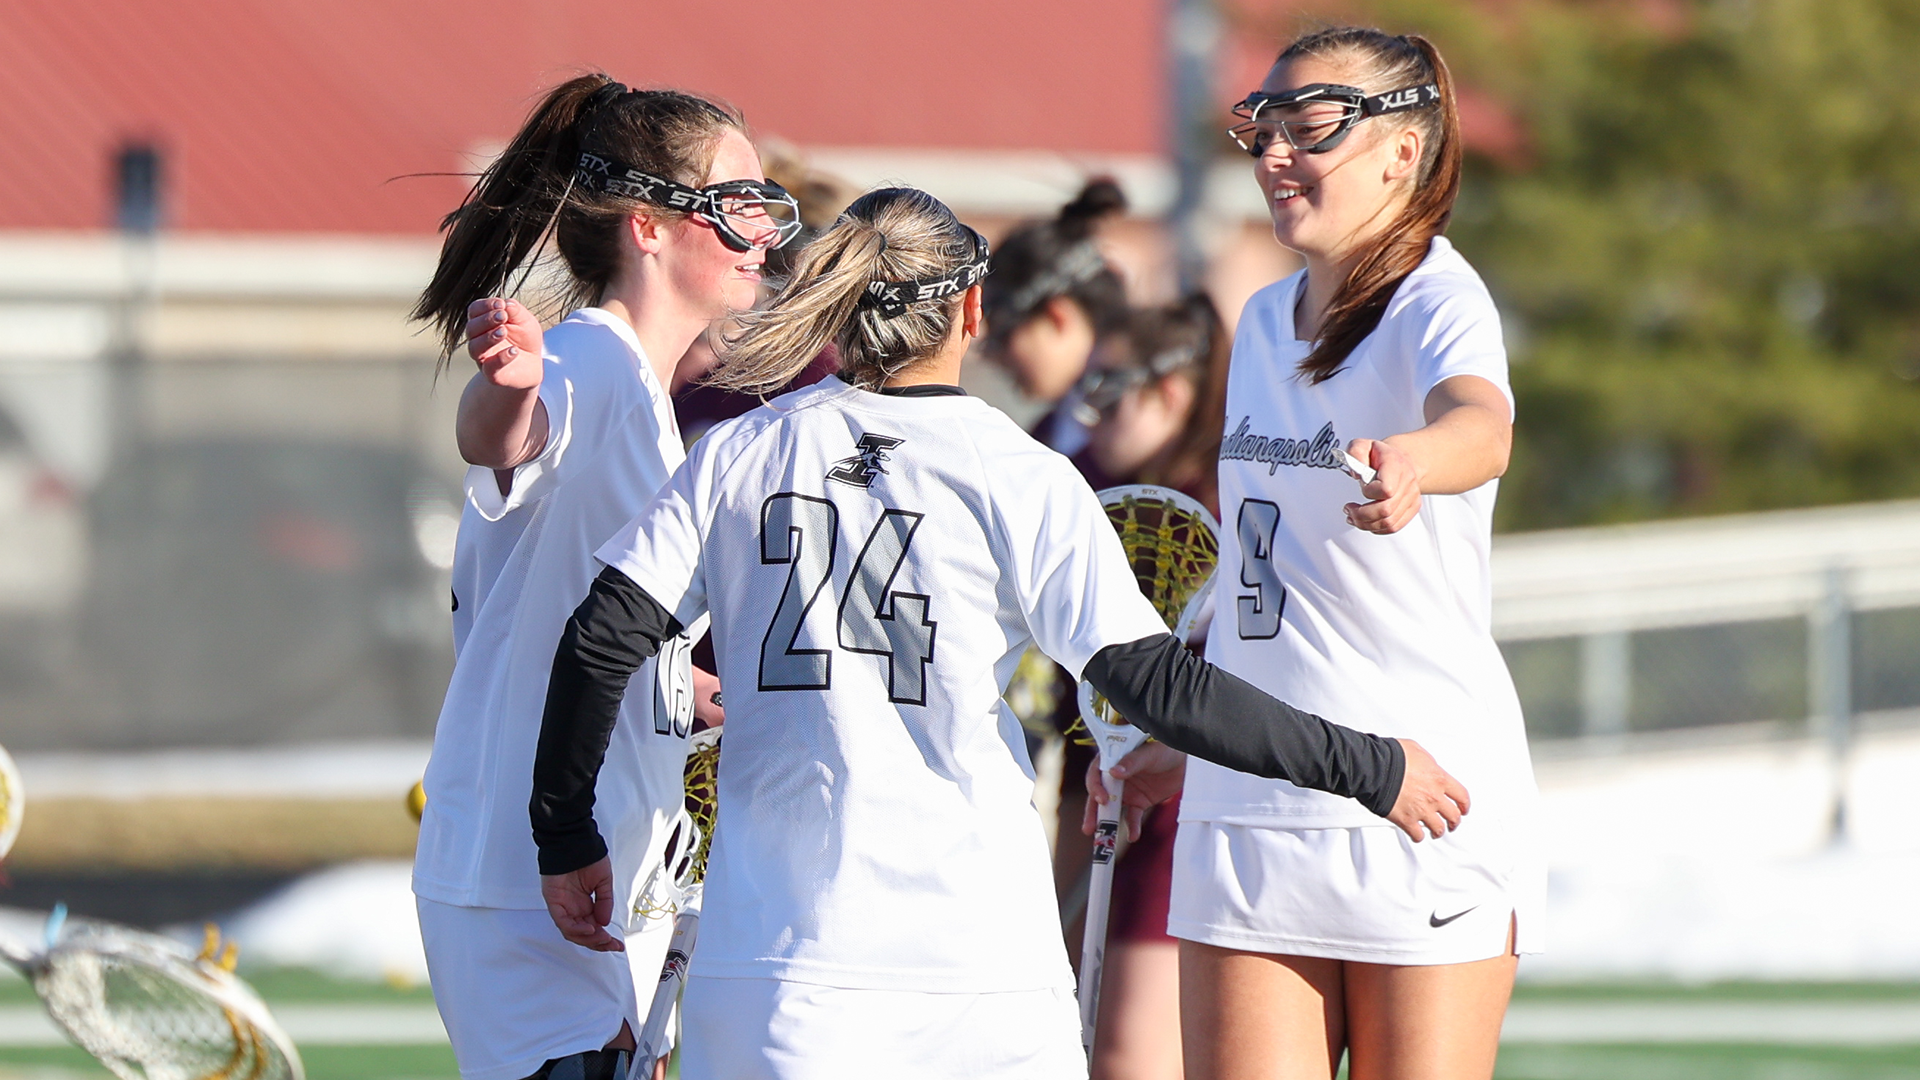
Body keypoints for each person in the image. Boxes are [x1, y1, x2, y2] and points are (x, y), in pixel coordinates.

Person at [524, 186, 1469, 1080]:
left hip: (775, 968)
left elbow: (600, 640)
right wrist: (1372, 768)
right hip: (980, 972)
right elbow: (1162, 693)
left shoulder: (737, 452)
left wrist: (563, 836)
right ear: (970, 312)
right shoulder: (1021, 473)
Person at [1095, 27, 1543, 1080]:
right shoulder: (1257, 320)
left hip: (1421, 800)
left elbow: (1483, 423)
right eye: (1265, 129)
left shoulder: (1436, 297)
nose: (1279, 156)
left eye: (1316, 126)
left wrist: (1415, 464)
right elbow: (1268, 578)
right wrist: (1182, 742)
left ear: (1404, 149)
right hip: (1249, 798)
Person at [409, 73, 794, 1080]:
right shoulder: (591, 361)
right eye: (737, 205)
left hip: (590, 877)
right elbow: (506, 437)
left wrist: (686, 688)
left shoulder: (647, 391)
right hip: (525, 885)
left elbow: (596, 618)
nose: (764, 235)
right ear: (649, 228)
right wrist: (510, 388)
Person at [1067, 295, 1232, 1080]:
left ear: (1169, 393)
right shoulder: (1086, 481)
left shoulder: (1224, 502)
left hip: (1180, 815)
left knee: (1129, 1056)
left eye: (1107, 389)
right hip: (1096, 795)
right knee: (1075, 1037)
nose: (1086, 413)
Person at [980, 177, 1131, 454]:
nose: (992, 355)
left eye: (1002, 332)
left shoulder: (1141, 427)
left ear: (1057, 317)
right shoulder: (1051, 432)